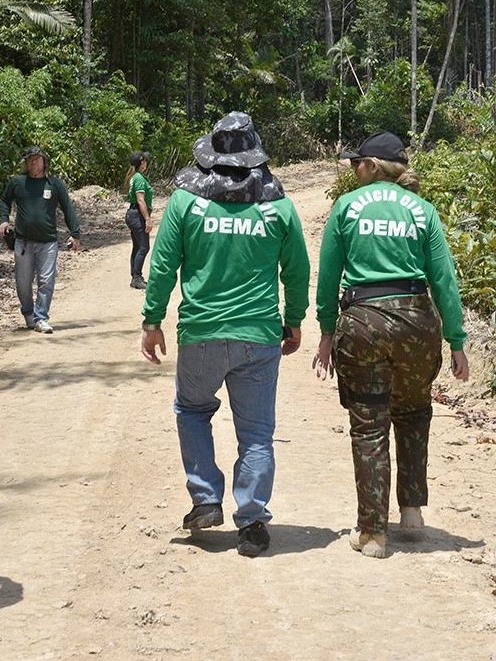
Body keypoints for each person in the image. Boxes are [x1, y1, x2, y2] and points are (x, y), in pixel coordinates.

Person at [140, 111, 310, 558]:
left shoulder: (185, 203)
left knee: (192, 410)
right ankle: (252, 521)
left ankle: (206, 498)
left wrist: (153, 320)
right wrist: (293, 320)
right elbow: (297, 270)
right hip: (258, 335)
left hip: (200, 335)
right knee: (256, 432)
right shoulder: (278, 205)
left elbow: (162, 266)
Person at [312, 131, 470, 559]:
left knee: (369, 425)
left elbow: (328, 279)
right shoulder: (424, 211)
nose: (352, 170)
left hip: (363, 321)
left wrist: (326, 333)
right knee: (415, 412)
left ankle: (373, 533)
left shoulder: (346, 207)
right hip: (418, 323)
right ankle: (412, 511)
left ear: (373, 167)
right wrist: (456, 340)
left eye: (355, 163)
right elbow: (444, 280)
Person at [0, 146, 82, 333]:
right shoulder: (17, 182)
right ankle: (28, 314)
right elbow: (5, 201)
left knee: (46, 280)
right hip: (23, 242)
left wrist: (75, 233)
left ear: (44, 161)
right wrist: (3, 220)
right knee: (23, 282)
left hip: (48, 241)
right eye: (29, 160)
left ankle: (41, 317)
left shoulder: (54, 184)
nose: (32, 163)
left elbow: (67, 208)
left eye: (36, 159)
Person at [124, 150, 153, 290]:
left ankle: (135, 276)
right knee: (144, 246)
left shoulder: (136, 177)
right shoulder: (139, 179)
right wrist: (147, 219)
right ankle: (137, 277)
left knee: (137, 246)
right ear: (142, 162)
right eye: (145, 160)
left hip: (133, 214)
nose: (146, 162)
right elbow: (141, 201)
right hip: (137, 215)